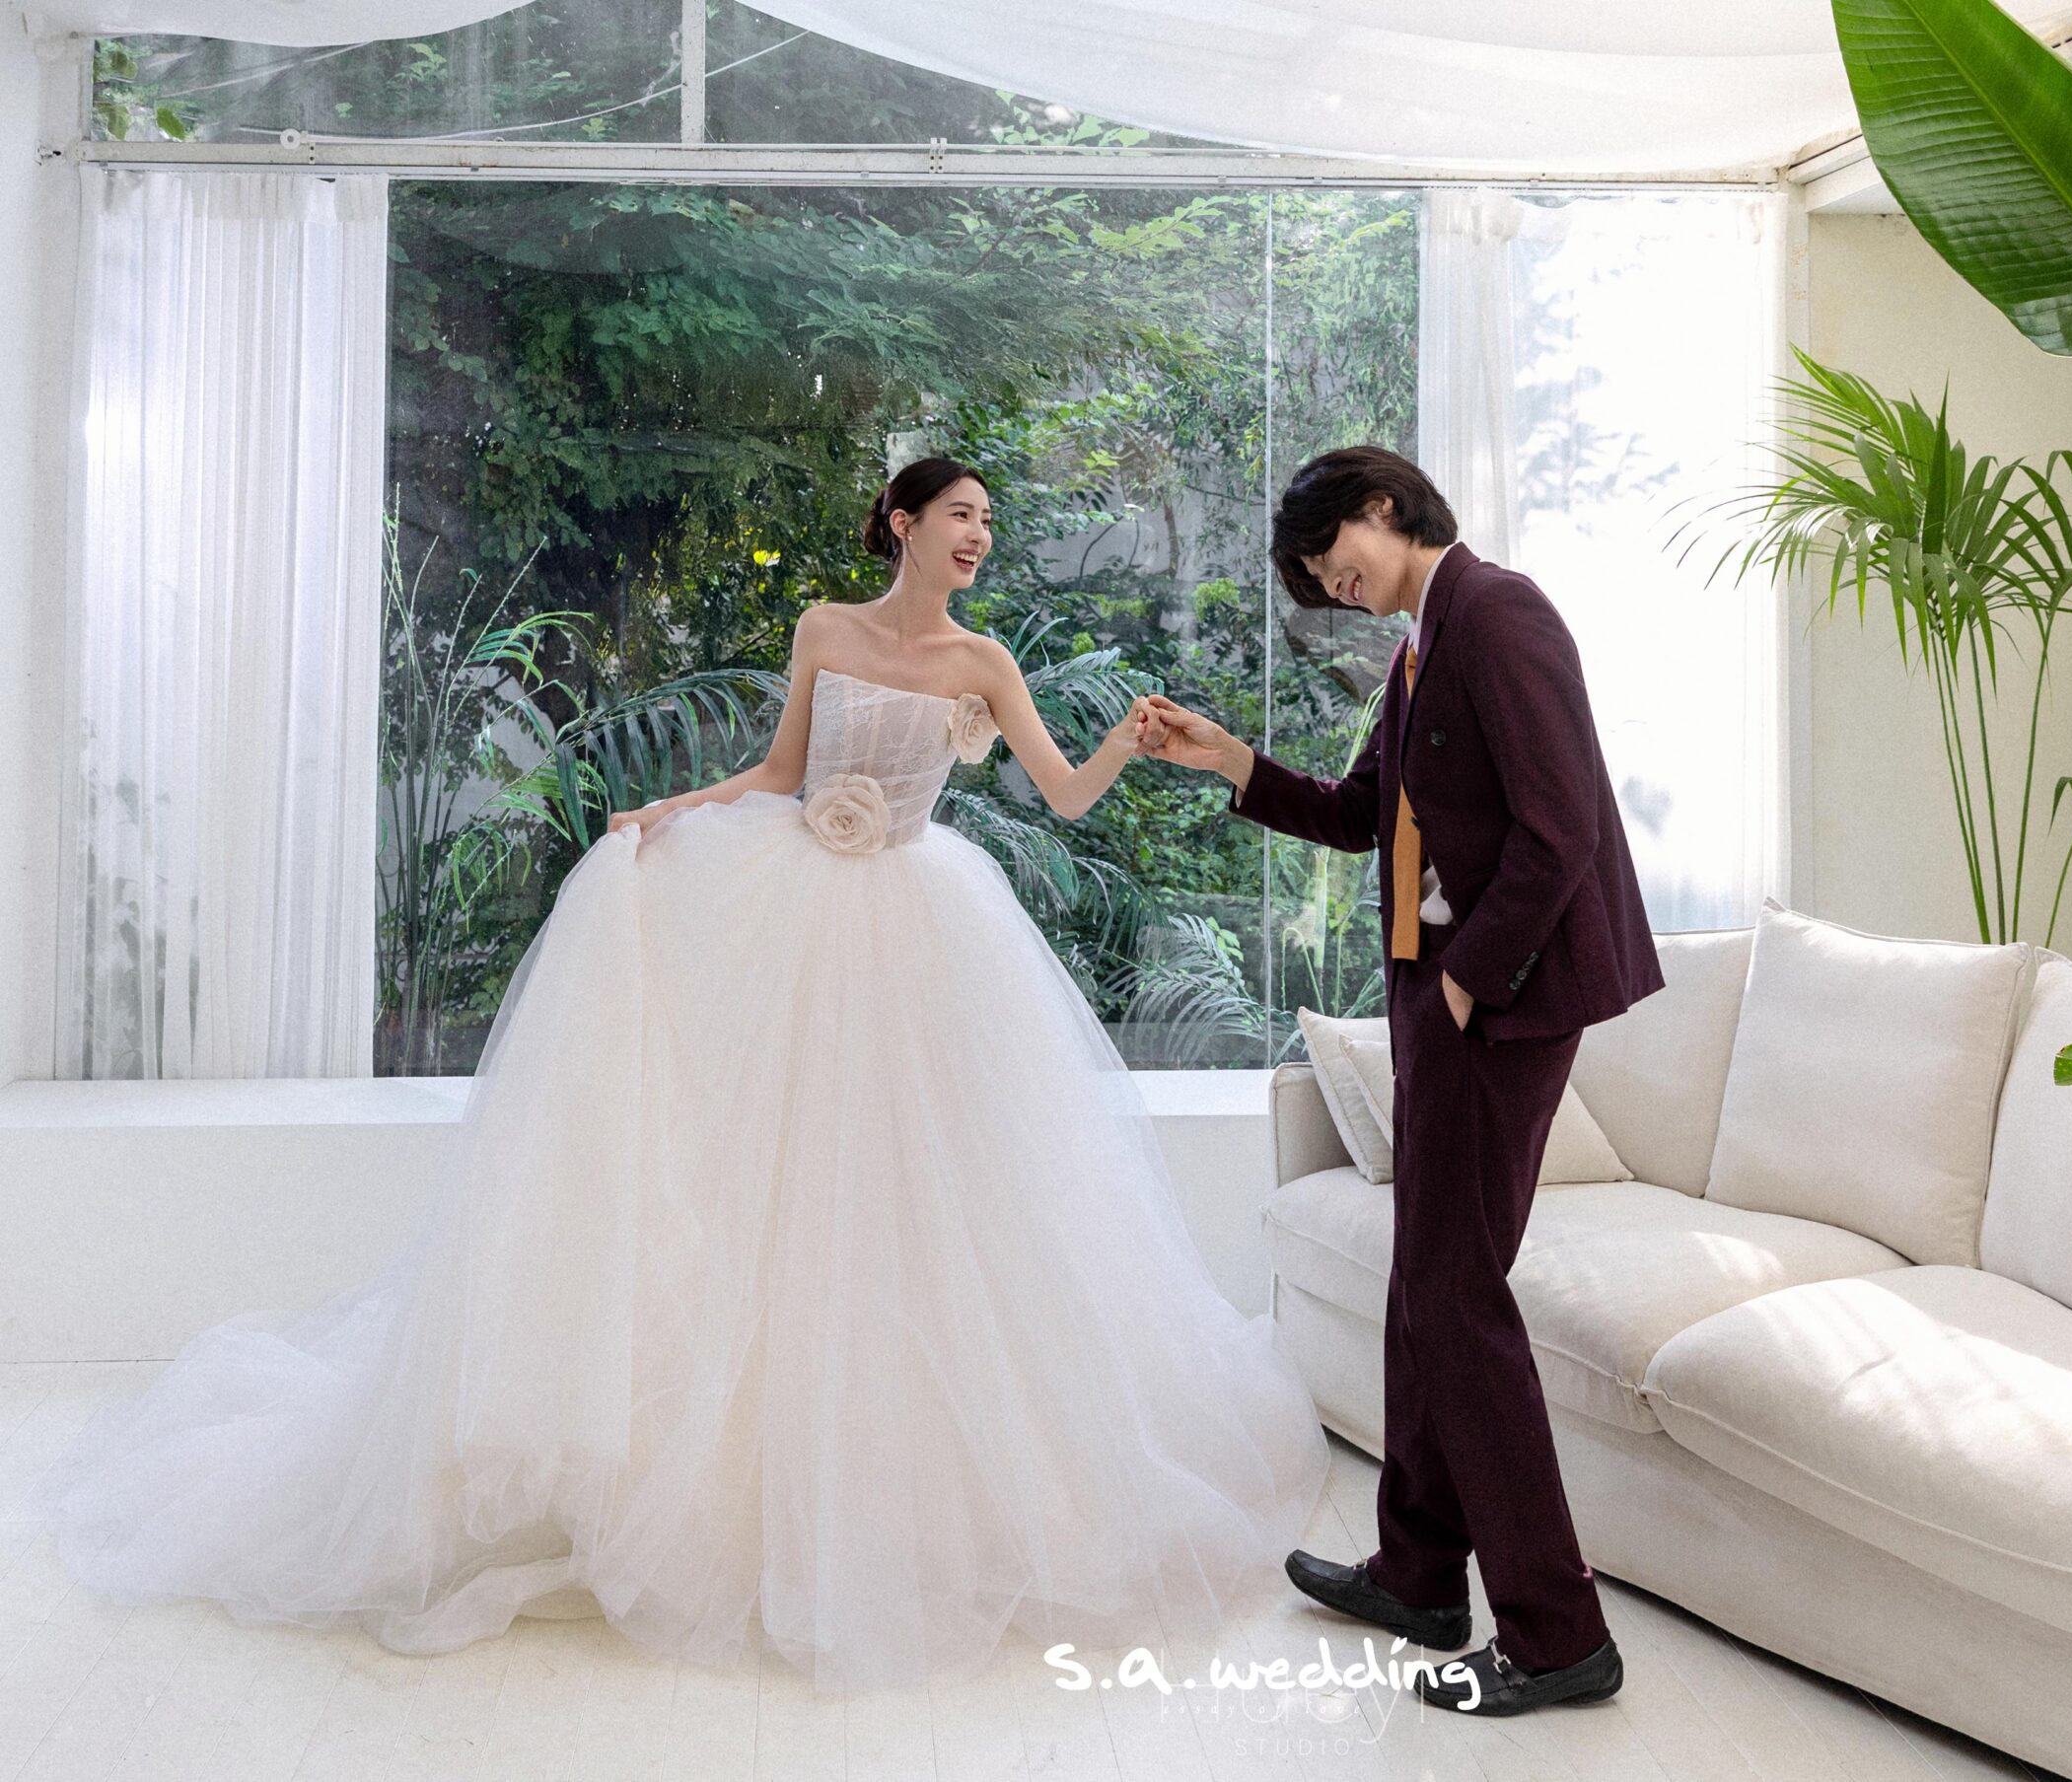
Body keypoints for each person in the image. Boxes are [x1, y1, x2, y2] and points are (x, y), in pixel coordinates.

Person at [33, 456, 1330, 1694]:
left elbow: (1063, 795)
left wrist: (1138, 743)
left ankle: (893, 1466)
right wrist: (666, 817)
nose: (980, 536)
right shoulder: (826, 628)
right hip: (794, 911)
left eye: (988, 520)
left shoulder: (983, 661)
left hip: (919, 928)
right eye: (962, 515)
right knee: (747, 1176)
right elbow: (781, 774)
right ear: (903, 522)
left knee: (915, 1196)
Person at [1132, 445, 1665, 1717]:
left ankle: (1558, 1635)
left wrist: (1468, 984)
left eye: (1334, 561)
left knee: (1455, 1297)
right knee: (1427, 1286)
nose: (1337, 588)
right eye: (1321, 581)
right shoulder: (1425, 647)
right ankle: (1421, 1573)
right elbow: (1358, 811)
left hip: (1497, 1001)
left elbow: (1562, 828)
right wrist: (1228, 759)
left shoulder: (1500, 612)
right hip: (1440, 996)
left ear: (1383, 507)